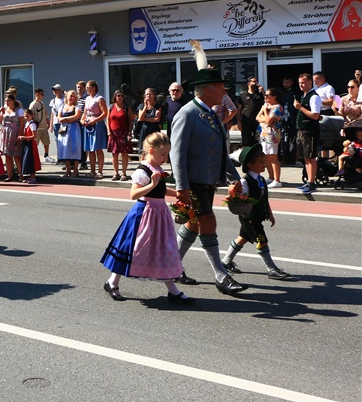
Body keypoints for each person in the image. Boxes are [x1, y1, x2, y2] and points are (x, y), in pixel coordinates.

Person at [170, 67, 246, 296]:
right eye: (221, 88)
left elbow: (220, 151)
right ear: (208, 90)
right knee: (207, 221)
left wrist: (234, 177)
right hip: (193, 181)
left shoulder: (210, 113)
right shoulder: (187, 113)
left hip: (208, 179)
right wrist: (181, 187)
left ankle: (172, 267)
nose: (224, 92)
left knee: (193, 223)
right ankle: (221, 275)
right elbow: (177, 154)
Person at [100, 132, 191, 304]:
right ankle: (112, 282)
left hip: (159, 213)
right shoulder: (143, 171)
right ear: (151, 150)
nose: (165, 158)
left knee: (164, 249)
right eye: (163, 154)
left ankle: (173, 290)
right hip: (144, 214)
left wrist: (178, 194)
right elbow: (133, 194)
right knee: (131, 250)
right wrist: (151, 184)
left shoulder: (157, 169)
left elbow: (159, 191)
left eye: (167, 154)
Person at [221, 144, 291, 281]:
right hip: (249, 216)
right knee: (262, 240)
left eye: (264, 162)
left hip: (258, 215)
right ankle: (271, 268)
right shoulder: (245, 181)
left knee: (243, 237)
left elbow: (265, 198)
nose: (264, 164)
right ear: (250, 165)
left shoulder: (261, 179)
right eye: (261, 162)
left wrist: (270, 214)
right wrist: (238, 193)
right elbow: (241, 195)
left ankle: (226, 261)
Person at [293, 72, 323, 194]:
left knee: (310, 157)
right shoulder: (304, 96)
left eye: (303, 82)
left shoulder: (314, 97)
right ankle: (308, 181)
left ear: (310, 82)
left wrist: (300, 107)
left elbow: (315, 115)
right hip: (302, 130)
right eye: (300, 83)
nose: (301, 85)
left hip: (309, 131)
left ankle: (312, 182)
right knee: (305, 157)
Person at [256, 88, 284, 188]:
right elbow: (257, 117)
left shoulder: (277, 108)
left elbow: (269, 121)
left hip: (273, 135)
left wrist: (264, 111)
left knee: (273, 156)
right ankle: (271, 177)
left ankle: (277, 179)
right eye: (265, 95)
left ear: (274, 96)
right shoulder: (267, 106)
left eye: (268, 95)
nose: (266, 97)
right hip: (264, 134)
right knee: (266, 156)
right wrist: (264, 116)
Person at [81, 80, 109, 179]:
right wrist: (82, 120)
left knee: (98, 149)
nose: (87, 89)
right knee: (90, 149)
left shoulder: (99, 99)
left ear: (94, 87)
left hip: (97, 125)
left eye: (88, 87)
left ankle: (100, 171)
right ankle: (92, 171)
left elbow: (105, 113)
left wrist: (95, 120)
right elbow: (84, 112)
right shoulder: (87, 99)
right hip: (88, 125)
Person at [0, 94, 23, 182]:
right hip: (5, 133)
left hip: (14, 132)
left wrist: (19, 135)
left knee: (16, 155)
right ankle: (9, 175)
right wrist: (0, 112)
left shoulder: (19, 110)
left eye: (8, 101)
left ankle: (21, 175)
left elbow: (22, 124)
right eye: (6, 101)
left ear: (13, 101)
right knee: (7, 155)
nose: (7, 102)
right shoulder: (4, 110)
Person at [106, 90, 132, 181]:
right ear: (115, 97)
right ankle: (116, 173)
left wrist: (129, 133)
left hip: (123, 133)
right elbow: (108, 120)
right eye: (118, 95)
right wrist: (109, 132)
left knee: (124, 153)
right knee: (114, 154)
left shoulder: (126, 108)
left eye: (121, 95)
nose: (120, 97)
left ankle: (124, 173)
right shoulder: (111, 107)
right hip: (113, 134)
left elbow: (130, 122)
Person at [56, 89, 82, 178]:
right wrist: (64, 119)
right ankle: (68, 170)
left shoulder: (77, 106)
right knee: (65, 148)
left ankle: (75, 170)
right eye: (70, 96)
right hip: (64, 129)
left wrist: (65, 119)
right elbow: (59, 117)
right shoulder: (62, 106)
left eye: (73, 96)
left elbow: (76, 117)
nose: (71, 98)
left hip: (74, 128)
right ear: (66, 96)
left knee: (74, 147)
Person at [237, 77, 265, 147]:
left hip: (257, 122)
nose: (256, 83)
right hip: (246, 122)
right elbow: (239, 109)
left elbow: (266, 103)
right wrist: (238, 121)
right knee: (246, 141)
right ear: (248, 83)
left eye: (256, 81)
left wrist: (263, 92)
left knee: (257, 142)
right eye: (254, 81)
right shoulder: (243, 95)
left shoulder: (259, 95)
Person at [27, 89, 51, 163]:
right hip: (37, 128)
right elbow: (31, 116)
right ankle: (33, 157)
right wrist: (34, 125)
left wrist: (49, 123)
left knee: (46, 142)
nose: (43, 96)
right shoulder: (32, 105)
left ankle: (46, 156)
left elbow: (45, 114)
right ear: (37, 94)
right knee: (35, 143)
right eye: (41, 94)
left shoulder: (42, 103)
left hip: (44, 127)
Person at [17, 112, 39, 184]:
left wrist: (23, 137)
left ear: (31, 116)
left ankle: (33, 176)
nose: (26, 118)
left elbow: (34, 136)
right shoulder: (26, 124)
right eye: (25, 116)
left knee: (32, 160)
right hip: (26, 144)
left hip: (31, 144)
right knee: (27, 160)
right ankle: (30, 176)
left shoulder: (32, 124)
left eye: (28, 116)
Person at [49, 84, 65, 162]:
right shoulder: (53, 101)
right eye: (53, 90)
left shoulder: (64, 100)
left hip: (62, 123)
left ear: (59, 90)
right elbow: (52, 113)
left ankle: (64, 157)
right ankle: (59, 157)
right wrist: (51, 124)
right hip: (56, 123)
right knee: (57, 140)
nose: (54, 91)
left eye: (56, 90)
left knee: (63, 139)